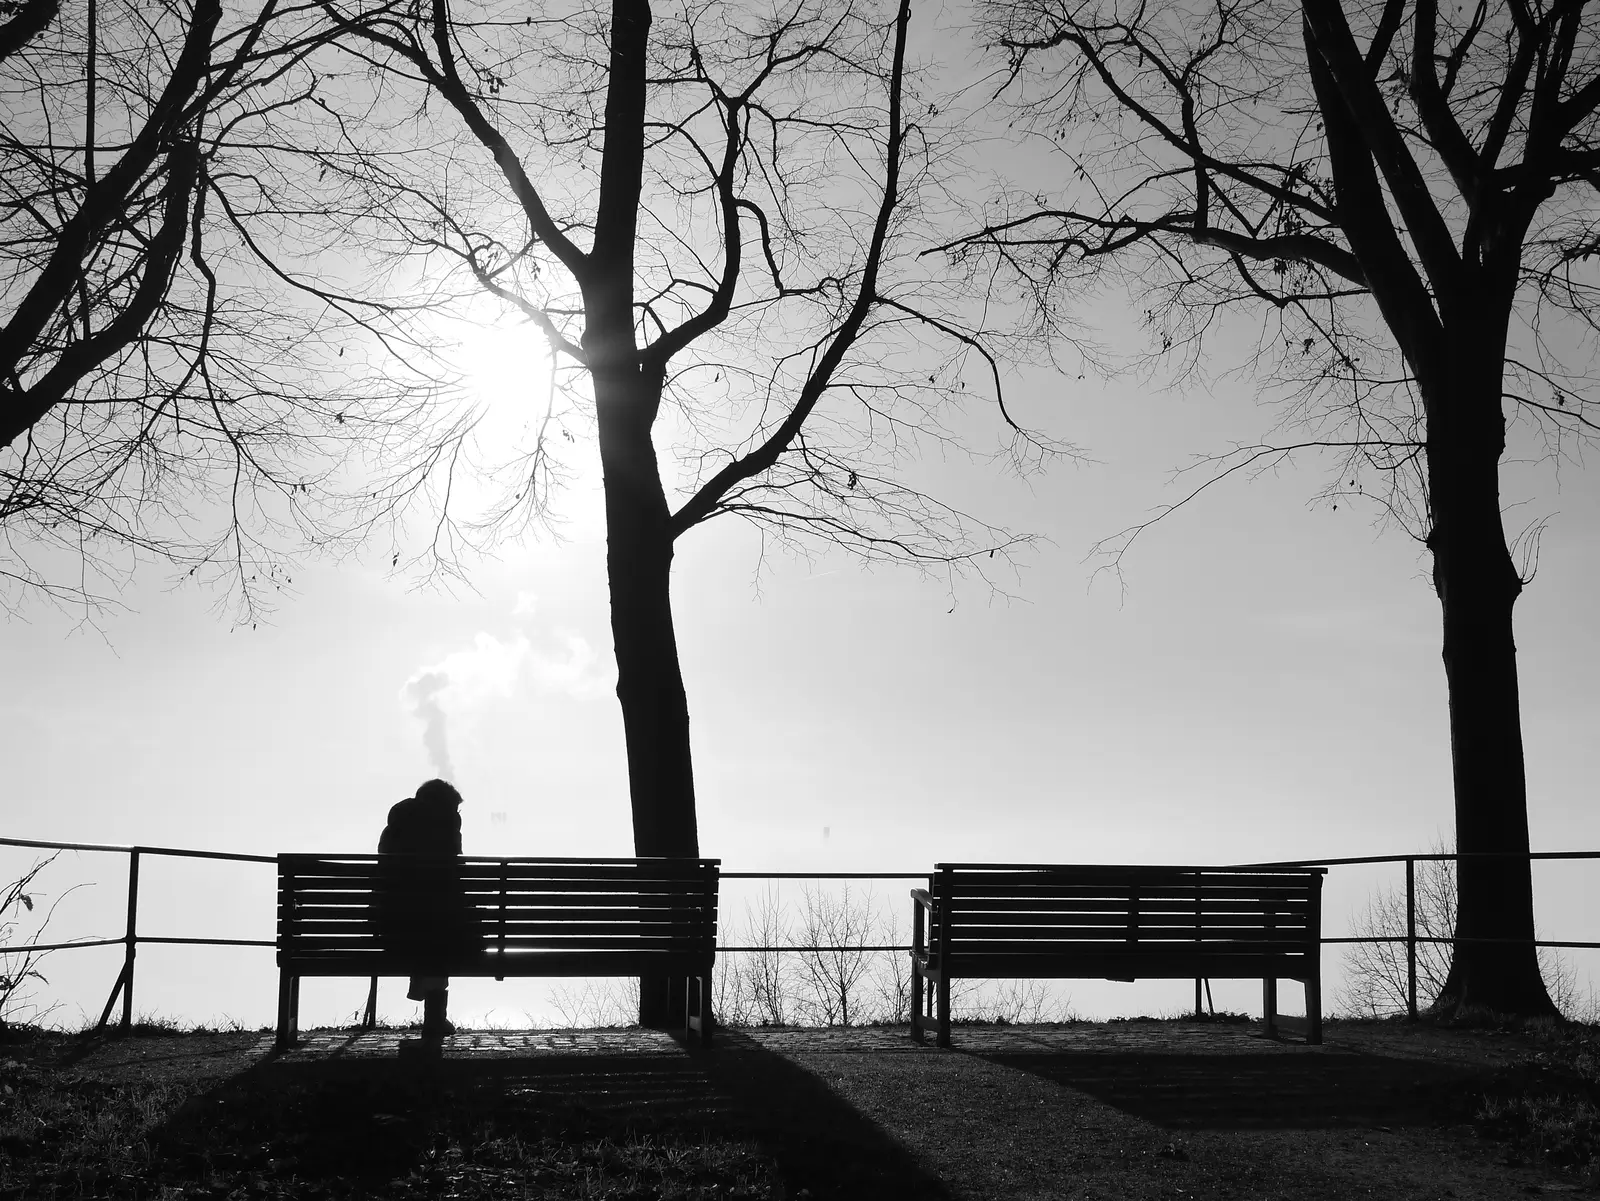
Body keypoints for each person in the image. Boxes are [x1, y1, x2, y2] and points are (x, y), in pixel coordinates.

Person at [378, 778, 472, 1039]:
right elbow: (454, 878)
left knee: (428, 926)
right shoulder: (446, 827)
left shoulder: (395, 826)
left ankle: (434, 1016)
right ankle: (435, 1019)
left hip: (392, 930)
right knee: (440, 928)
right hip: (437, 932)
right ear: (446, 807)